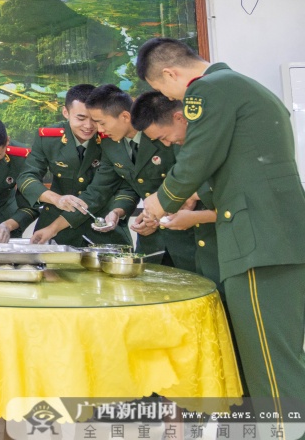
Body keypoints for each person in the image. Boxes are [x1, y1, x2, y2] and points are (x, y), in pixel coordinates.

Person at [135, 38, 305, 413]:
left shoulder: (208, 90)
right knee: (280, 356)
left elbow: (196, 158)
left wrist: (159, 202)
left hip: (257, 241)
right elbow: (243, 164)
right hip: (275, 235)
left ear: (170, 74)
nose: (174, 101)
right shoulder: (243, 86)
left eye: (167, 92)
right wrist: (197, 196)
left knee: (269, 364)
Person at [84, 85, 193, 269]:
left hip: (186, 235)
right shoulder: (111, 145)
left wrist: (159, 214)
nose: (98, 129)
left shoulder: (165, 133)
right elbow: (129, 185)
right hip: (151, 241)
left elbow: (190, 180)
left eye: (102, 123)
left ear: (125, 116)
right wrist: (117, 211)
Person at [19, 84, 130, 246]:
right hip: (57, 230)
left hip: (102, 227)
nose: (88, 126)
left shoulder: (111, 139)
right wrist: (56, 199)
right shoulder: (48, 138)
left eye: (94, 119)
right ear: (66, 112)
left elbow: (101, 191)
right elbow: (27, 177)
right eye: (81, 118)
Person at [129, 92, 216, 279]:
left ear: (179, 118)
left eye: (164, 137)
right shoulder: (185, 142)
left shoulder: (210, 138)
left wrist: (193, 199)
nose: (166, 144)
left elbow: (230, 191)